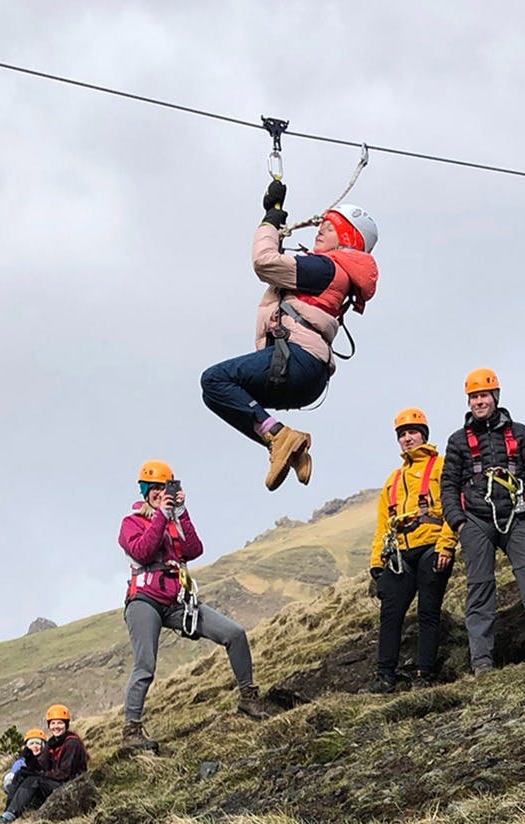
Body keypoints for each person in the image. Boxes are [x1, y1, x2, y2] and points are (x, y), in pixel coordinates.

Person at [200, 179, 379, 491]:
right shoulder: (332, 273)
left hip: (295, 361)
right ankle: (285, 445)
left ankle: (281, 438)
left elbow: (264, 262)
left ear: (347, 238)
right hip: (308, 375)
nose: (320, 228)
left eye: (331, 226)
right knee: (218, 394)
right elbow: (282, 271)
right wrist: (274, 214)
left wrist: (269, 221)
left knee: (214, 380)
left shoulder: (326, 268)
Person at [120, 460, 274, 750]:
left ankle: (249, 698)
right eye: (154, 489)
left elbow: (193, 550)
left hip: (179, 601)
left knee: (235, 634)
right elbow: (142, 551)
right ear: (144, 491)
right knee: (145, 664)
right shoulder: (131, 523)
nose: (159, 493)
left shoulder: (174, 520)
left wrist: (181, 514)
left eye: (164, 488)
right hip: (144, 600)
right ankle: (131, 730)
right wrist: (161, 517)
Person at [440, 369, 525, 675]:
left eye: (483, 396)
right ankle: (482, 662)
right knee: (480, 589)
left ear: (495, 397)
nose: (479, 402)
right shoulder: (457, 441)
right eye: (474, 397)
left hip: (519, 518)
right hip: (476, 522)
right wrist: (460, 524)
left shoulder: (520, 433)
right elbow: (448, 486)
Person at [366, 408, 458, 692]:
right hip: (398, 555)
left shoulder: (443, 467)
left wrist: (446, 546)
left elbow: (452, 509)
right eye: (402, 434)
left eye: (413, 432)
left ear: (424, 435)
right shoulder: (392, 480)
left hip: (432, 546)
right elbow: (383, 525)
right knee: (390, 615)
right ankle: (385, 676)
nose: (407, 438)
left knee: (428, 612)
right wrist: (376, 564)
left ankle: (425, 674)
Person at [0, 705, 86, 824]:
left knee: (34, 780)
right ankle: (7, 813)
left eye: (60, 723)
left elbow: (64, 774)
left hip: (72, 785)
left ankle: (9, 816)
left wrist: (36, 773)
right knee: (21, 774)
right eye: (53, 723)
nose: (56, 727)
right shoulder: (52, 743)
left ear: (66, 724)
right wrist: (30, 759)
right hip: (58, 783)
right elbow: (42, 766)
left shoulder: (72, 744)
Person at [2, 729, 50, 801]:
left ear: (43, 745)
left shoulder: (48, 759)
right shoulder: (20, 762)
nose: (35, 746)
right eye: (31, 743)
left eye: (38, 743)